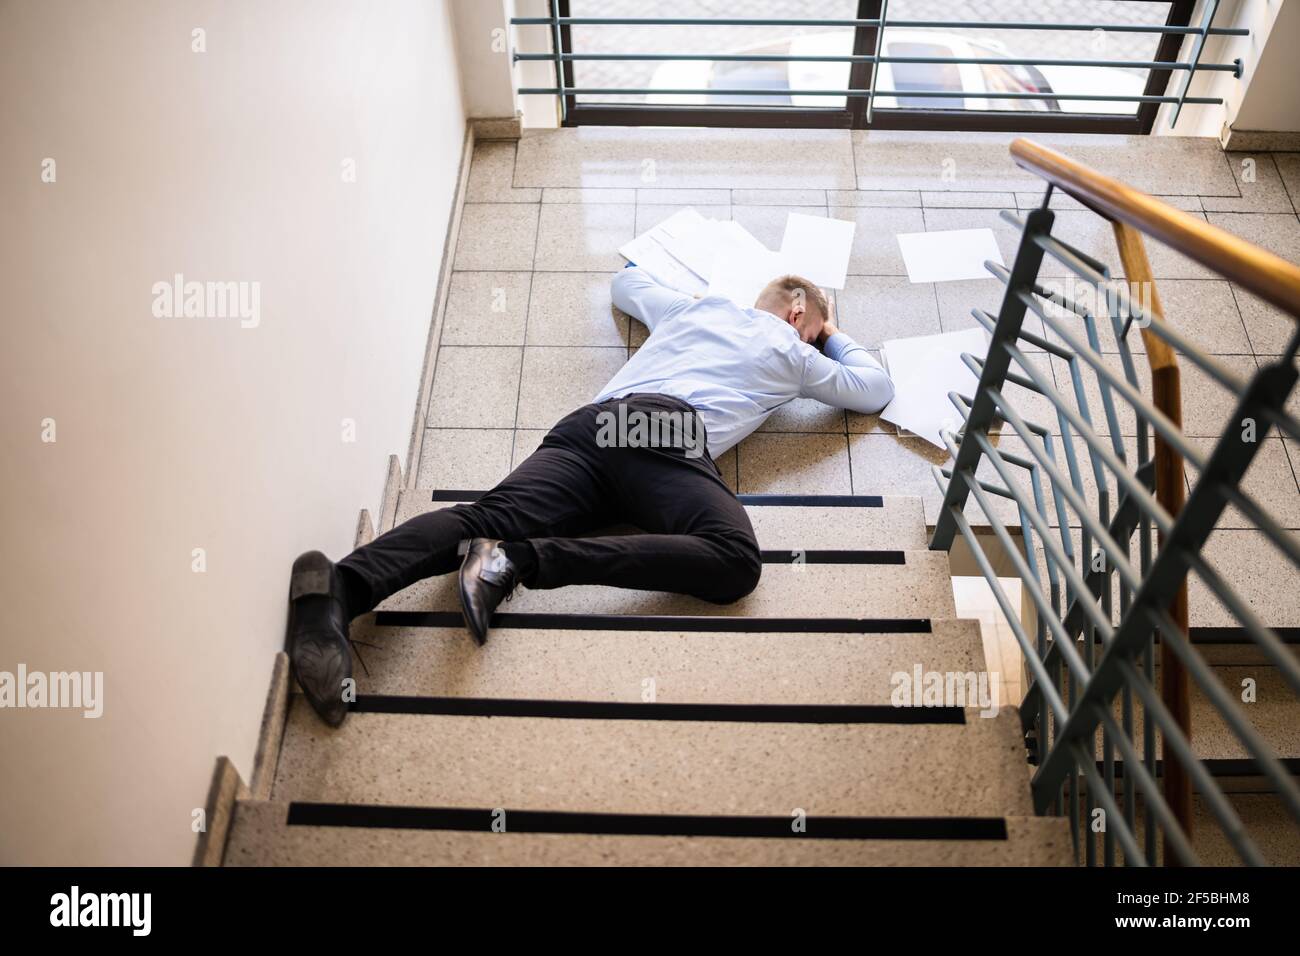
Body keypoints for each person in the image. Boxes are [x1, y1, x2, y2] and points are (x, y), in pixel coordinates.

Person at [286, 268, 895, 726]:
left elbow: (625, 282)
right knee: (733, 558)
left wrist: (695, 298)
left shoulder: (693, 309)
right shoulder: (791, 349)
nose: (815, 346)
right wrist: (832, 331)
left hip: (590, 427)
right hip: (665, 432)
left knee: (485, 514)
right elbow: (874, 388)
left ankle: (338, 588)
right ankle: (518, 561)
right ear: (796, 316)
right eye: (814, 332)